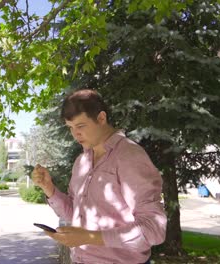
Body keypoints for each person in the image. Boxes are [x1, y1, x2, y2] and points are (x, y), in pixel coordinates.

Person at [32, 89, 166, 264]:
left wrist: (89, 237)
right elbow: (75, 214)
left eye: (80, 126)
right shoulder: (81, 162)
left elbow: (153, 230)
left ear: (101, 118)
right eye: (70, 128)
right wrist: (49, 189)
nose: (75, 134)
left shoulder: (130, 156)